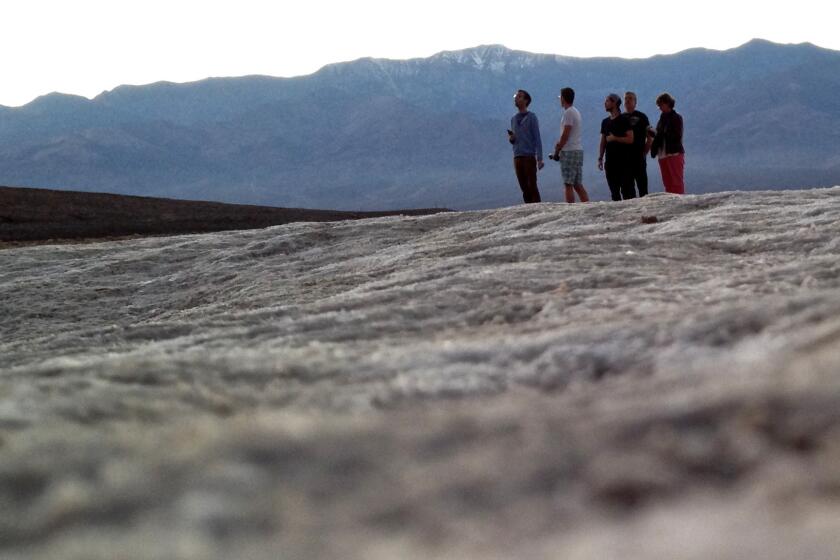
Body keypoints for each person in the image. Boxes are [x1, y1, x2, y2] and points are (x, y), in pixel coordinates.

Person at [550, 87, 589, 203]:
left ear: (563, 98)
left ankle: (570, 208)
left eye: (560, 98)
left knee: (568, 183)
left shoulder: (568, 113)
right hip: (577, 150)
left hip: (569, 152)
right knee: (577, 184)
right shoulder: (576, 111)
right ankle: (587, 205)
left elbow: (565, 134)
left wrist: (558, 148)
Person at [508, 89, 544, 203]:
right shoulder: (513, 119)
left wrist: (539, 158)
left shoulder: (532, 117)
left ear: (526, 100)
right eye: (516, 96)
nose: (516, 98)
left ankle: (538, 209)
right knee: (524, 188)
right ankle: (528, 208)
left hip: (528, 156)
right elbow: (515, 139)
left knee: (532, 185)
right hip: (517, 156)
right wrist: (512, 139)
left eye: (519, 96)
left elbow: (537, 138)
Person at [598, 93, 635, 201]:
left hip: (625, 163)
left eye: (607, 101)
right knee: (614, 193)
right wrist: (600, 157)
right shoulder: (605, 122)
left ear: (614, 103)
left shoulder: (624, 119)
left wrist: (615, 138)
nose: (605, 103)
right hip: (610, 163)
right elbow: (603, 141)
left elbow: (630, 139)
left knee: (628, 193)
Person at [650, 92, 685, 194]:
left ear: (667, 103)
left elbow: (676, 136)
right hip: (663, 154)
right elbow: (659, 135)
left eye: (661, 105)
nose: (660, 108)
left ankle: (680, 202)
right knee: (667, 183)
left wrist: (660, 134)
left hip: (673, 153)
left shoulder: (676, 118)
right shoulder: (662, 119)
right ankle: (671, 203)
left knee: (676, 182)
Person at [623, 91, 653, 197]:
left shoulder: (642, 117)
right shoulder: (620, 118)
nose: (627, 100)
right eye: (626, 98)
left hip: (639, 157)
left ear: (635, 102)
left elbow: (650, 137)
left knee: (643, 189)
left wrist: (645, 152)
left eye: (630, 98)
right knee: (627, 190)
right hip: (624, 160)